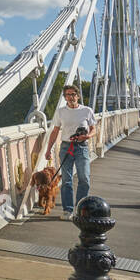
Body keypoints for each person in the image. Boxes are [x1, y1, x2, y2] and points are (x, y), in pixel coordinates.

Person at [45, 85, 97, 219]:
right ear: (64, 97)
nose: (71, 97)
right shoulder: (60, 111)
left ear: (78, 96)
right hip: (66, 147)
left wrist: (87, 136)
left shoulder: (87, 110)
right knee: (67, 180)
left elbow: (93, 129)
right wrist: (48, 149)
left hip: (82, 147)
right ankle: (68, 210)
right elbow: (55, 131)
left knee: (84, 178)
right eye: (68, 95)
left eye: (73, 94)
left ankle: (80, 209)